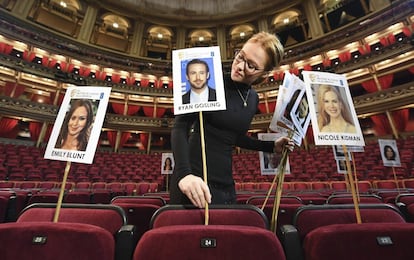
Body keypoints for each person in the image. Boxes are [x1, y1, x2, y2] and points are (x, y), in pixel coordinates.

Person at [170, 32, 293, 208]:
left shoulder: (253, 99)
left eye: (251, 65)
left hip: (225, 184)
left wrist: (272, 146)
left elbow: (234, 137)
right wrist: (184, 174)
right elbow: (180, 127)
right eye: (240, 56)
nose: (240, 66)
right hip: (193, 180)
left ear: (263, 74)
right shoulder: (211, 81)